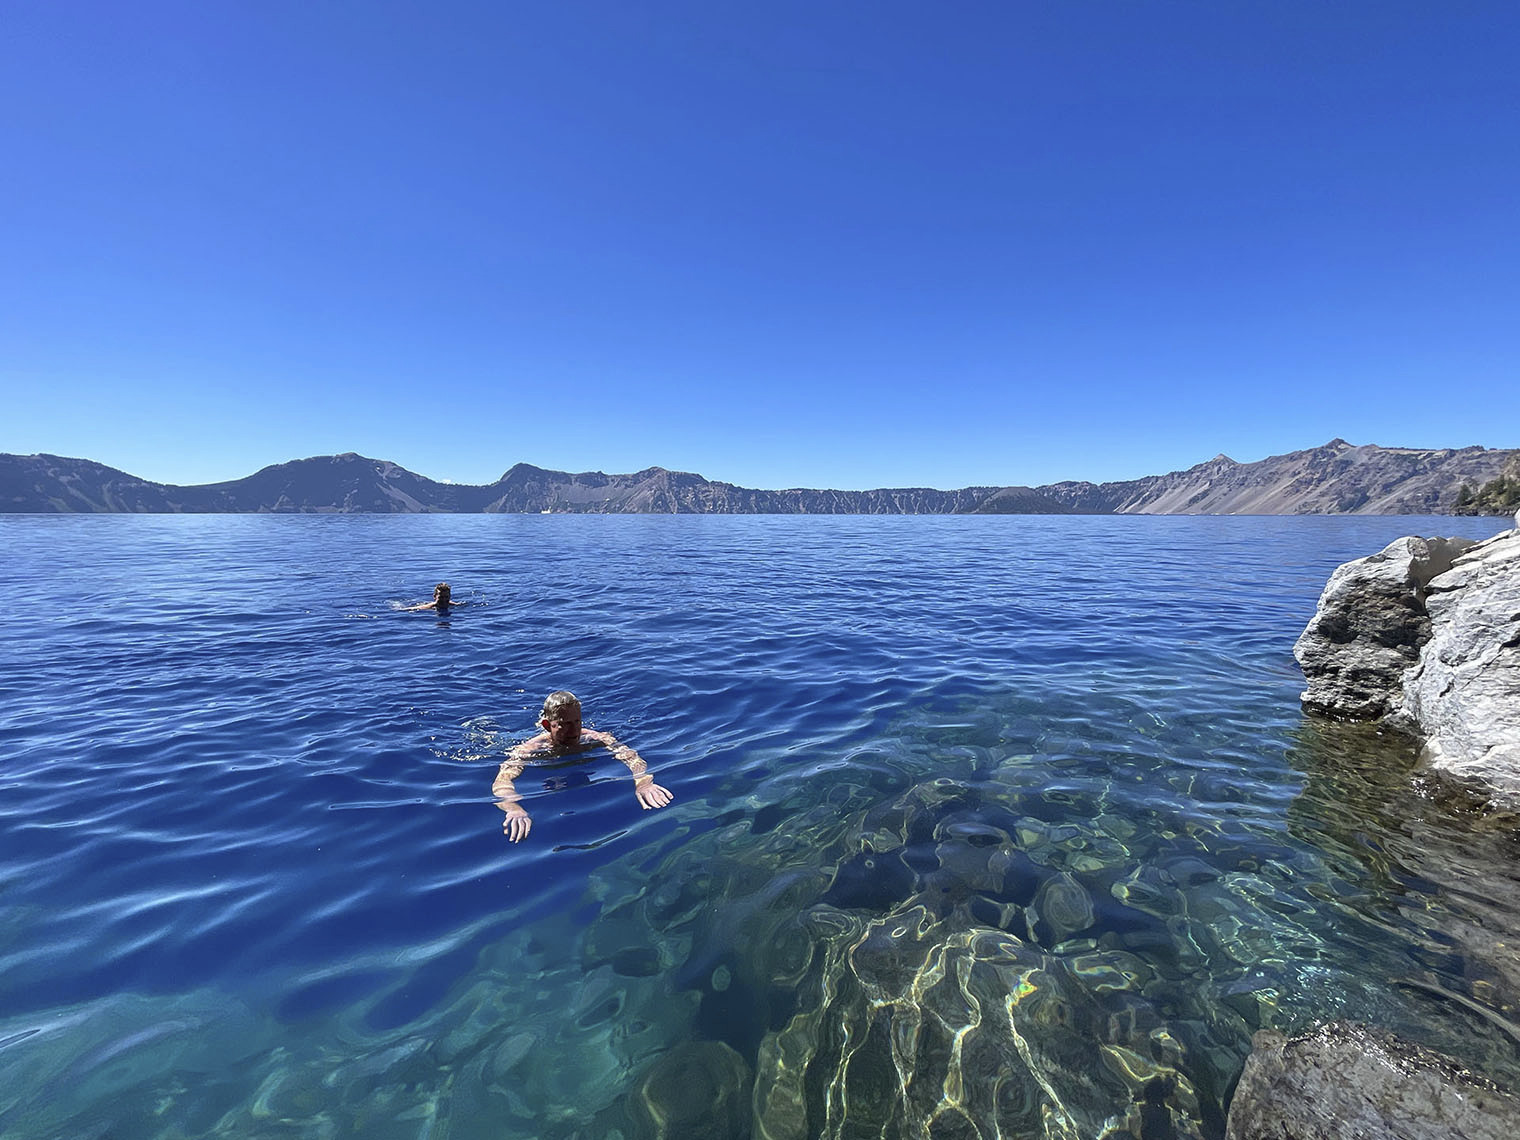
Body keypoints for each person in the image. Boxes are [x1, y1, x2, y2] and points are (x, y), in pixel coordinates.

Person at [492, 691, 674, 842]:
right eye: (564, 725)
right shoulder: (530, 749)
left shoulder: (595, 738)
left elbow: (631, 757)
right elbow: (502, 780)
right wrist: (513, 807)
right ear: (547, 726)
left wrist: (642, 781)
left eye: (577, 722)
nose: (574, 732)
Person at [402, 583, 466, 612]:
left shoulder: (453, 604)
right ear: (434, 597)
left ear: (450, 596)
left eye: (446, 597)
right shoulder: (428, 607)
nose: (444, 600)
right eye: (441, 597)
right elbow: (411, 609)